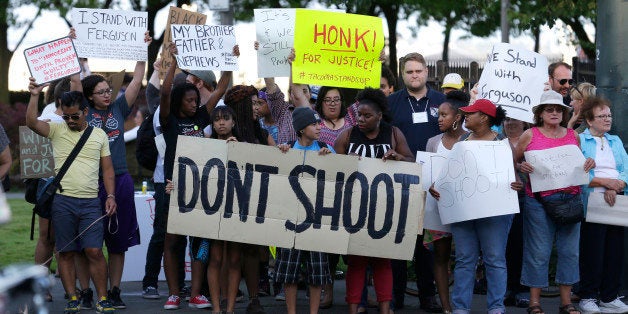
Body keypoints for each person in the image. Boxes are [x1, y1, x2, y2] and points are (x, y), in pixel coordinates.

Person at [69, 29, 151, 309]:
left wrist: (142, 51)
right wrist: (77, 49)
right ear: (90, 98)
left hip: (120, 180)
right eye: (101, 92)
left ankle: (114, 291)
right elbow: (75, 83)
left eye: (108, 90)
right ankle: (86, 291)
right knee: (85, 242)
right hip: (88, 183)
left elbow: (138, 81)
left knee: (118, 241)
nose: (107, 94)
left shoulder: (118, 108)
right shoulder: (83, 113)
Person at [26, 79, 117, 314]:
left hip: (90, 202)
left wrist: (111, 196)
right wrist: (35, 95)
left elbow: (107, 169)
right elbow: (30, 124)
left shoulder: (99, 135)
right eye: (66, 117)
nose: (69, 121)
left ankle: (103, 298)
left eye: (75, 116)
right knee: (65, 251)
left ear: (85, 112)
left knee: (94, 251)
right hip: (62, 201)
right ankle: (72, 297)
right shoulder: (56, 129)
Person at [160, 43, 238, 311]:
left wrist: (229, 59)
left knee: (198, 242)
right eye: (190, 101)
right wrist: (174, 62)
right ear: (180, 100)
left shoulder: (201, 118)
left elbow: (220, 88)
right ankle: (173, 293)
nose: (196, 104)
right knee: (172, 240)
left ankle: (195, 294)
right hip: (173, 188)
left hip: (199, 190)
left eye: (196, 100)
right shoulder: (168, 119)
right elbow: (165, 91)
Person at [334, 87, 414, 314]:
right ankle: (353, 307)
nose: (360, 119)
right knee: (356, 261)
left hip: (384, 207)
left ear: (379, 116)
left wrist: (398, 157)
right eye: (359, 114)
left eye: (367, 115)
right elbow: (330, 166)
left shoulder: (393, 134)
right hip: (354, 207)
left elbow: (411, 160)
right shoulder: (347, 135)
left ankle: (385, 307)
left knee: (382, 260)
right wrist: (343, 161)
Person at [514, 90, 595, 314]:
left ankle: (566, 302)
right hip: (538, 201)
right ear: (540, 113)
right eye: (549, 109)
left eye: (558, 109)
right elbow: (516, 161)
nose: (554, 112)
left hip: (570, 199)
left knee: (570, 252)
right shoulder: (529, 135)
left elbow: (581, 162)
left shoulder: (573, 136)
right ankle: (534, 303)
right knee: (538, 251)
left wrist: (588, 162)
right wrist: (522, 168)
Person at [429, 98, 513, 314]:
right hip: (464, 210)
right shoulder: (462, 142)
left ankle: (496, 307)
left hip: (494, 212)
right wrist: (436, 186)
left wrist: (517, 184)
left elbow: (514, 178)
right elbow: (449, 176)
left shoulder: (503, 144)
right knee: (466, 259)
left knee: (494, 259)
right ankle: (461, 308)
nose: (465, 116)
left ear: (484, 117)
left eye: (470, 113)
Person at [387, 51, 445, 311]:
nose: (414, 75)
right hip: (399, 178)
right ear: (403, 75)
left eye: (418, 71)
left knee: (426, 244)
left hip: (433, 180)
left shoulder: (441, 102)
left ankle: (427, 295)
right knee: (398, 240)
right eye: (409, 72)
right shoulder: (392, 102)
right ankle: (395, 295)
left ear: (427, 72)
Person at [274, 107, 334, 314]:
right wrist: (281, 155)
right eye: (314, 124)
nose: (319, 127)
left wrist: (330, 159)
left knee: (316, 274)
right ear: (301, 129)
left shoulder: (327, 149)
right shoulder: (287, 149)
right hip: (290, 220)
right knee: (289, 272)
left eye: (319, 123)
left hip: (317, 221)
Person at [224, 84, 276, 314]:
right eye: (253, 103)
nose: (258, 108)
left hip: (256, 203)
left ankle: (254, 298)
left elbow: (278, 163)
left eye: (259, 103)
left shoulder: (262, 134)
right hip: (230, 202)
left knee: (253, 253)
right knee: (232, 253)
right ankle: (229, 300)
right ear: (241, 107)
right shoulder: (224, 133)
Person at [141, 58, 188, 300]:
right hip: (164, 180)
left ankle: (177, 284)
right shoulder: (165, 112)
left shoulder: (193, 115)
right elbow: (156, 93)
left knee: (179, 236)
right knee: (163, 233)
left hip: (187, 181)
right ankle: (150, 281)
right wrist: (162, 70)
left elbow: (150, 91)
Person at [577, 97, 628, 314]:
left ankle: (609, 297)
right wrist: (604, 182)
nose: (607, 119)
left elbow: (626, 167)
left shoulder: (615, 140)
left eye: (609, 115)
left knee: (615, 251)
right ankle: (588, 296)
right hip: (592, 202)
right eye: (602, 116)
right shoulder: (580, 141)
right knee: (592, 251)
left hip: (616, 199)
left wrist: (616, 185)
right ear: (589, 120)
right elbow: (578, 171)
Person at [424, 91, 469, 314]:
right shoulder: (432, 143)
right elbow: (427, 174)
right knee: (440, 258)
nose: (439, 119)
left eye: (444, 114)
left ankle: (462, 304)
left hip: (464, 211)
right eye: (438, 115)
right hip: (437, 211)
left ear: (458, 117)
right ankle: (447, 307)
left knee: (464, 258)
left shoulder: (470, 141)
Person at [502, 117, 531, 308]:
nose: (510, 123)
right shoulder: (497, 142)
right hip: (501, 203)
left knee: (522, 247)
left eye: (514, 120)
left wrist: (524, 173)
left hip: (526, 202)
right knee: (504, 247)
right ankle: (505, 289)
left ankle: (522, 289)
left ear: (525, 123)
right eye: (506, 119)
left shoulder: (531, 142)